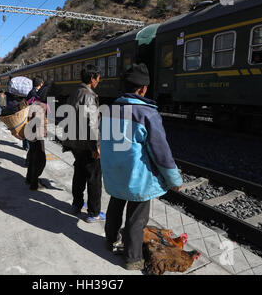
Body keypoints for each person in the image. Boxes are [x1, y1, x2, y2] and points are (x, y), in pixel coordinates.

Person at [100, 63, 183, 270]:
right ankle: (133, 259)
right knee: (137, 219)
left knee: (115, 206)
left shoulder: (110, 110)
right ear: (143, 89)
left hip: (114, 171)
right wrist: (174, 179)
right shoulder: (147, 114)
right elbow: (161, 153)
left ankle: (110, 241)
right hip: (137, 177)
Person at [63, 64, 105, 223]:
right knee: (94, 178)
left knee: (79, 173)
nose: (98, 81)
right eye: (98, 78)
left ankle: (76, 205)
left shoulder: (75, 93)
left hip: (75, 143)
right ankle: (93, 213)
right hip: (87, 144)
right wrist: (96, 147)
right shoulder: (89, 96)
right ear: (93, 79)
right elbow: (92, 125)